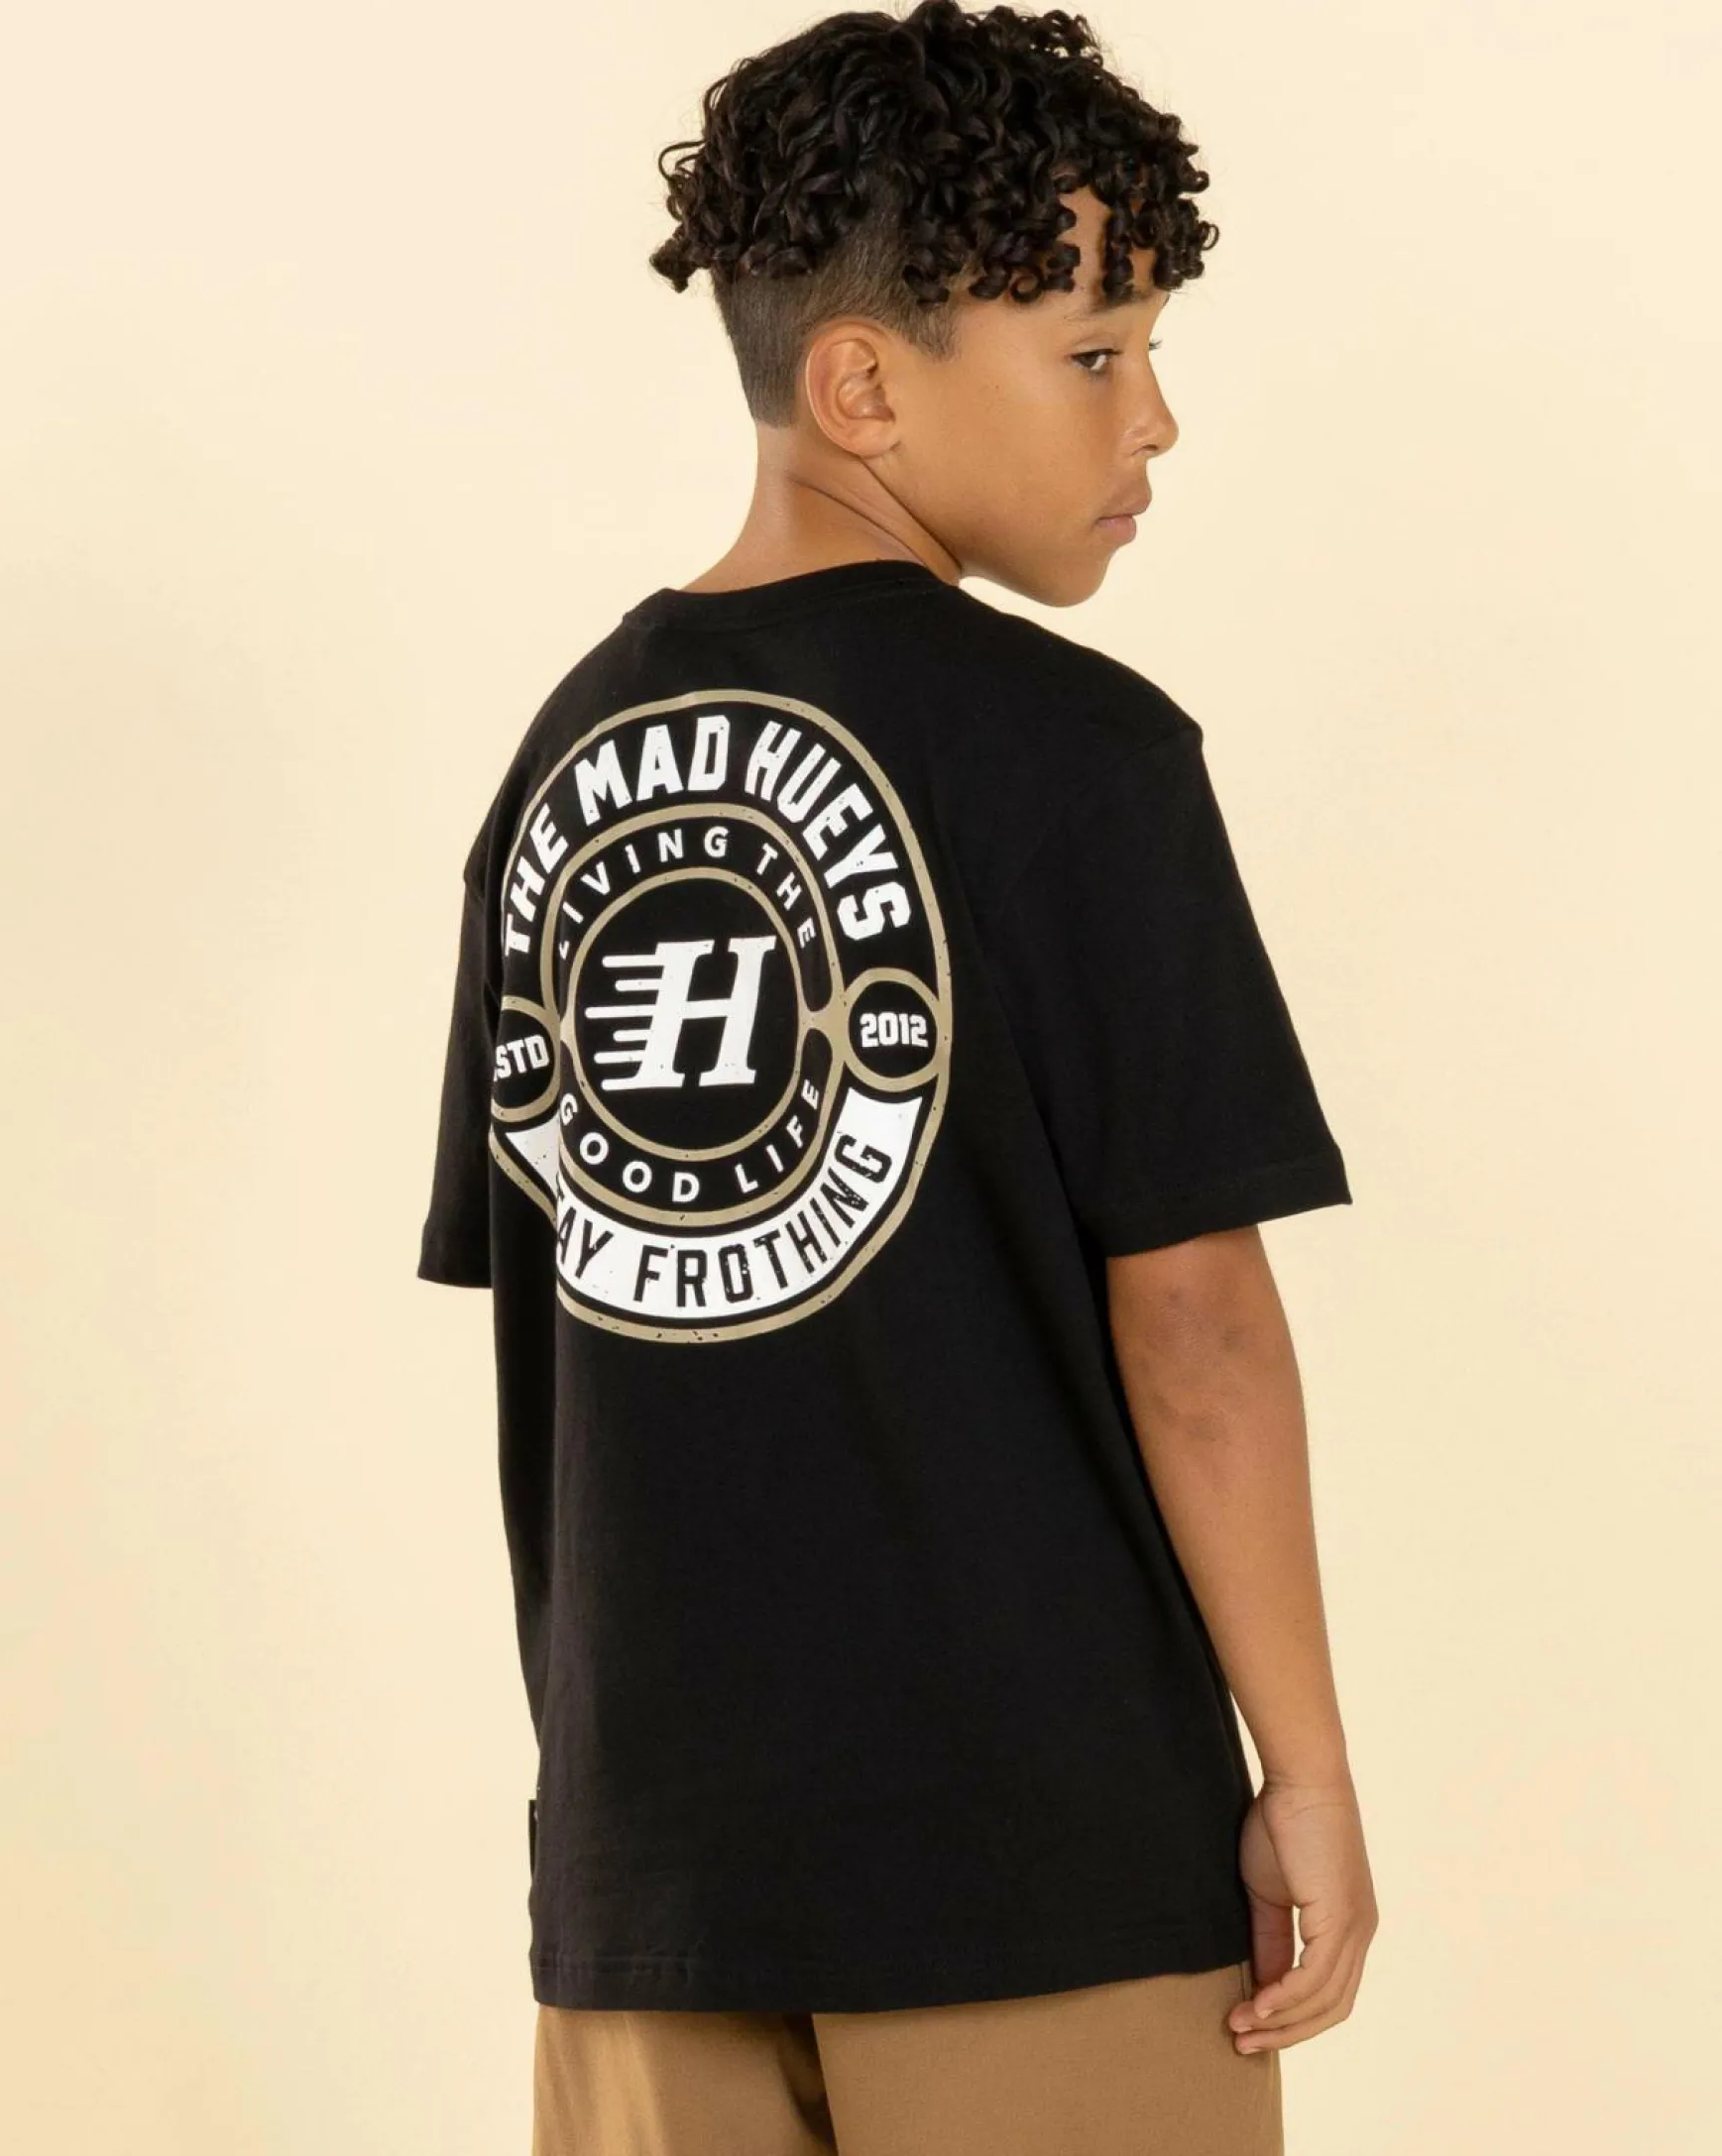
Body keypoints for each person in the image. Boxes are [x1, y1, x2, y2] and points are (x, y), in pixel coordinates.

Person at [416, 4, 1379, 2149]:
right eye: (1097, 352)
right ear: (863, 384)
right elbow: (1200, 1324)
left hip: (654, 1895)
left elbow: (577, 1319)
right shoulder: (1078, 757)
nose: (1156, 416)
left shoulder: (557, 772)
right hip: (1038, 1873)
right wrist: (1303, 1768)